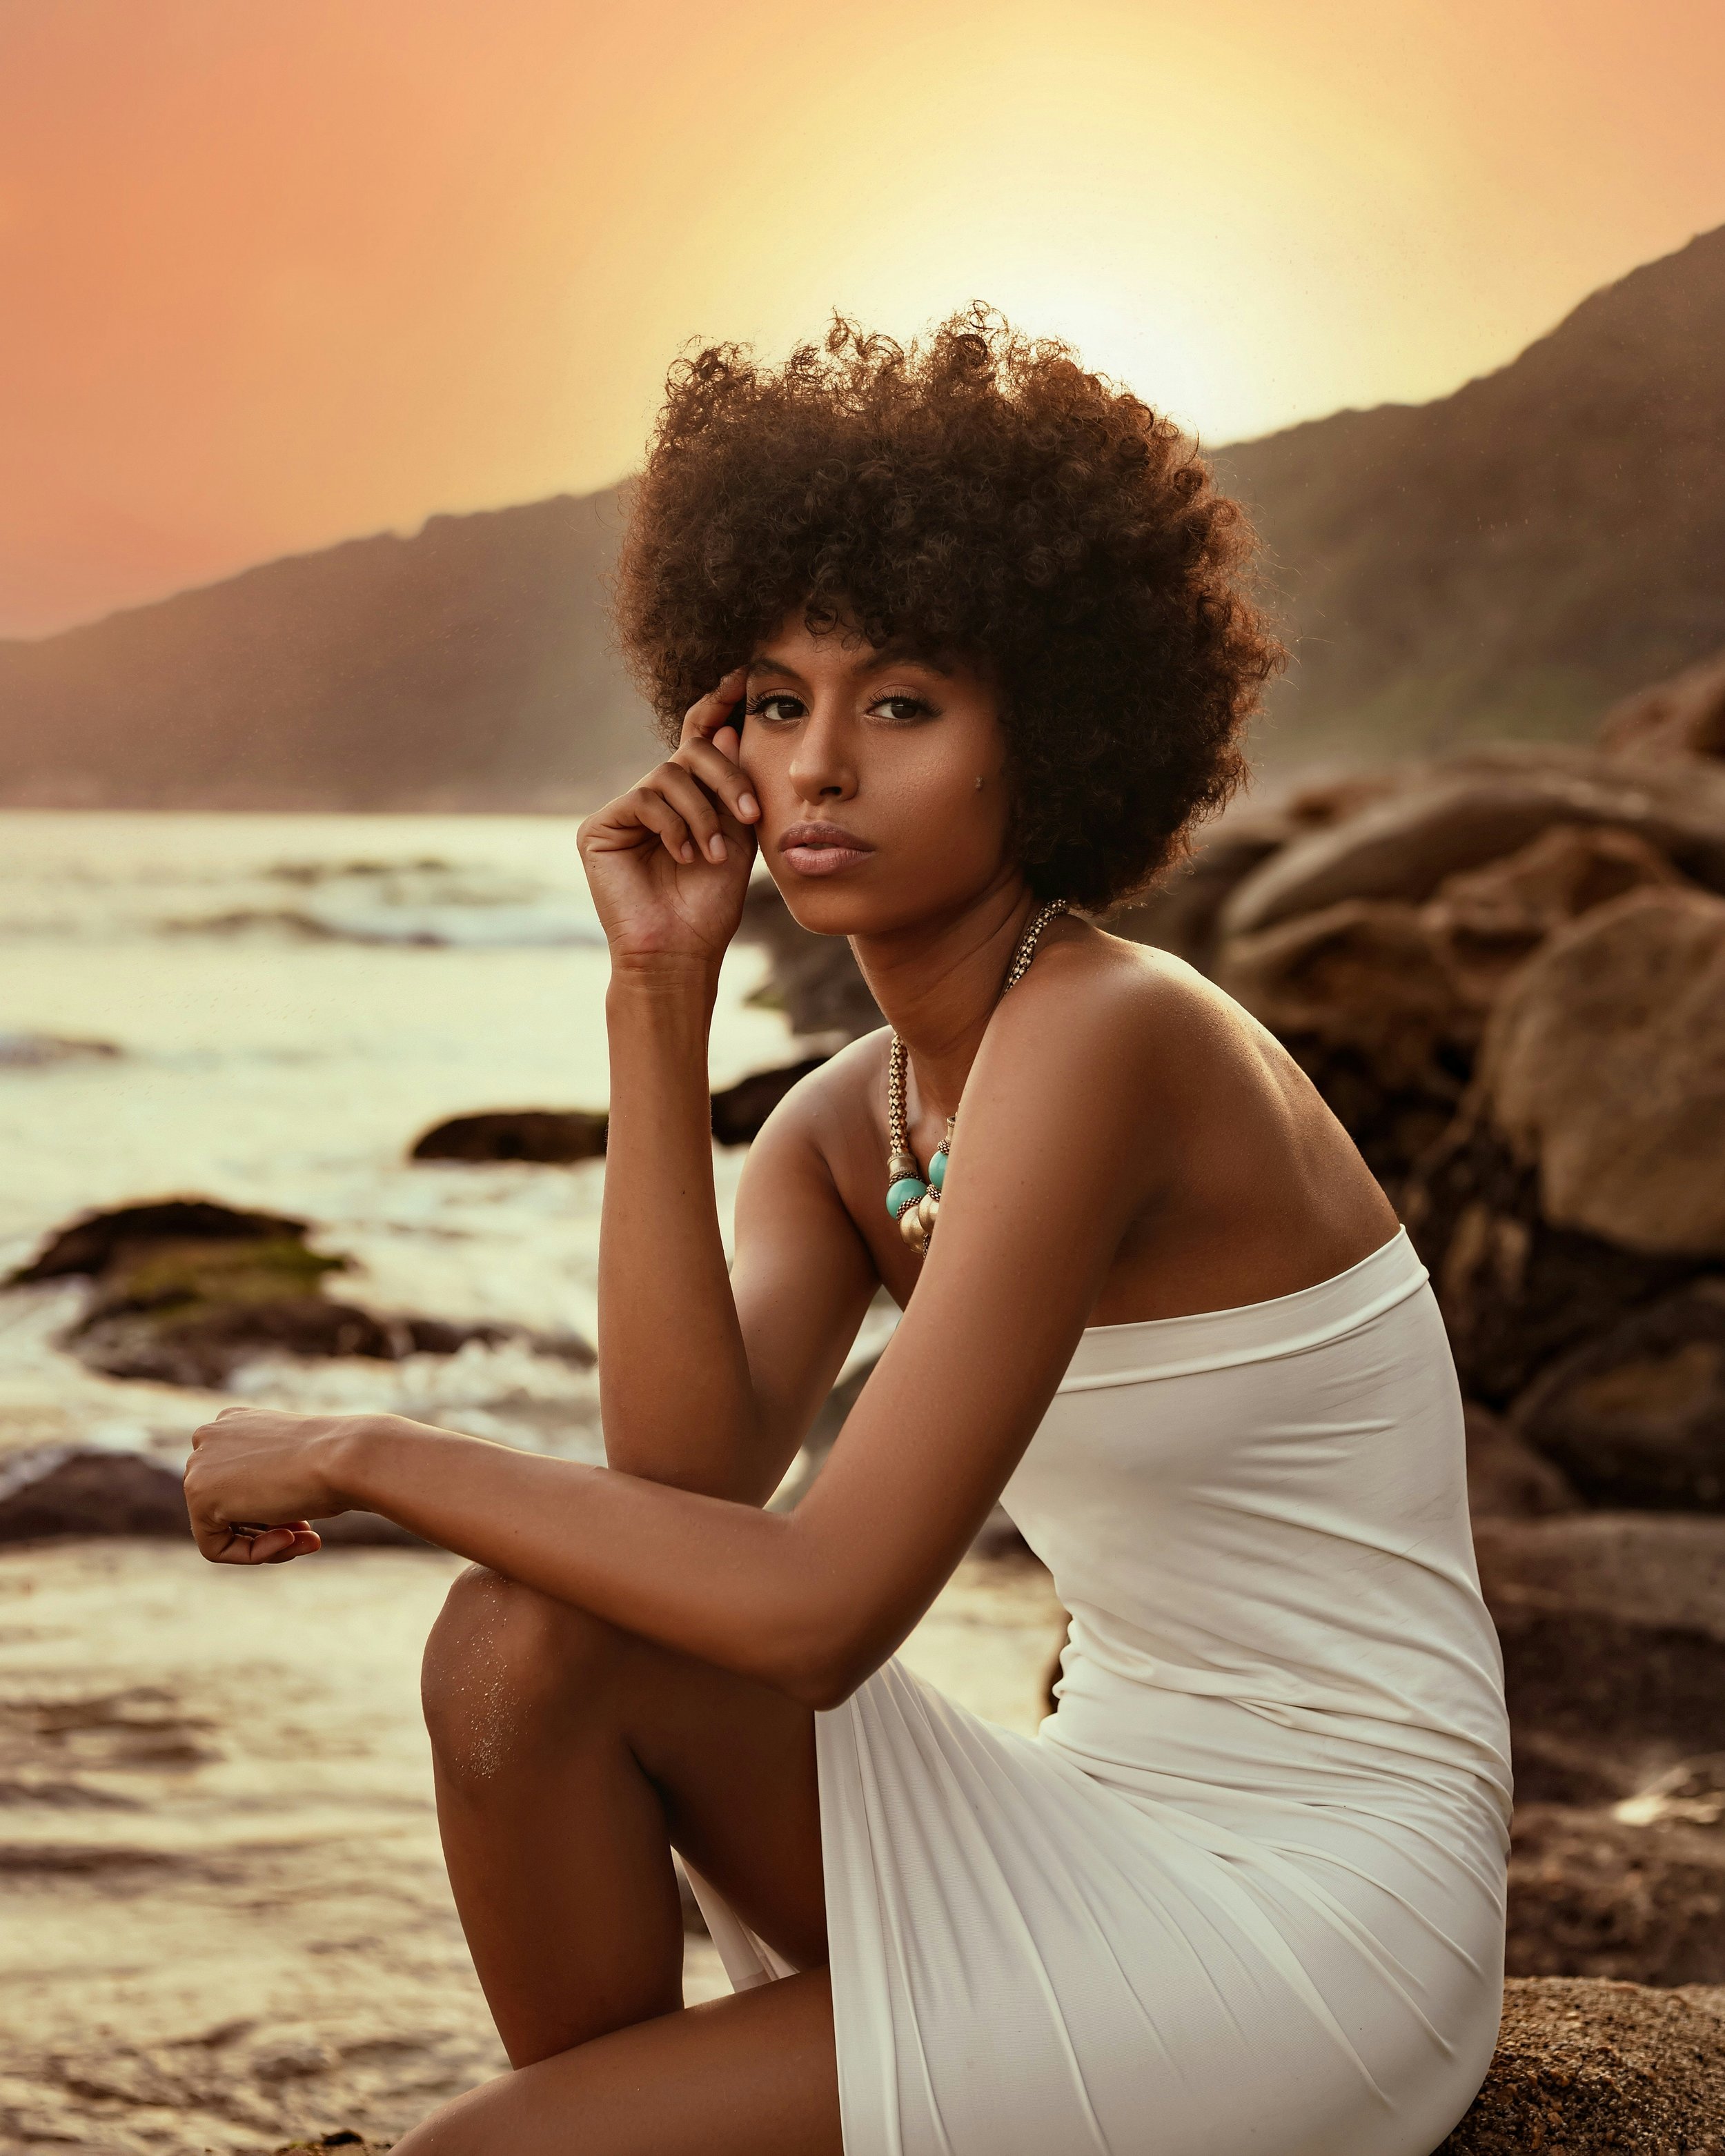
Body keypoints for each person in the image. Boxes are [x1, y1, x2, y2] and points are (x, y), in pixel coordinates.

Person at [184, 312, 1511, 2156]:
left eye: (899, 704)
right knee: (516, 1645)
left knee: (475, 2155)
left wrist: (365, 1449)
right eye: (771, 700)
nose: (816, 768)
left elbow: (812, 1619)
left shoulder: (1113, 1033)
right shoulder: (846, 1121)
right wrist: (656, 994)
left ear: (1043, 730)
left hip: (1314, 1910)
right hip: (1088, 1816)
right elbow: (676, 1505)